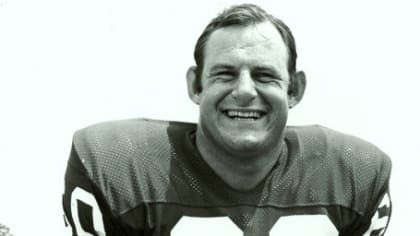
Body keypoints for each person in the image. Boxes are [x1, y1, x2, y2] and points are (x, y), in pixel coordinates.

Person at [62, 3, 392, 236]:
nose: (245, 91)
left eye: (265, 75)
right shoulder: (115, 165)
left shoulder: (356, 174)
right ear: (195, 85)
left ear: (295, 89)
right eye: (225, 74)